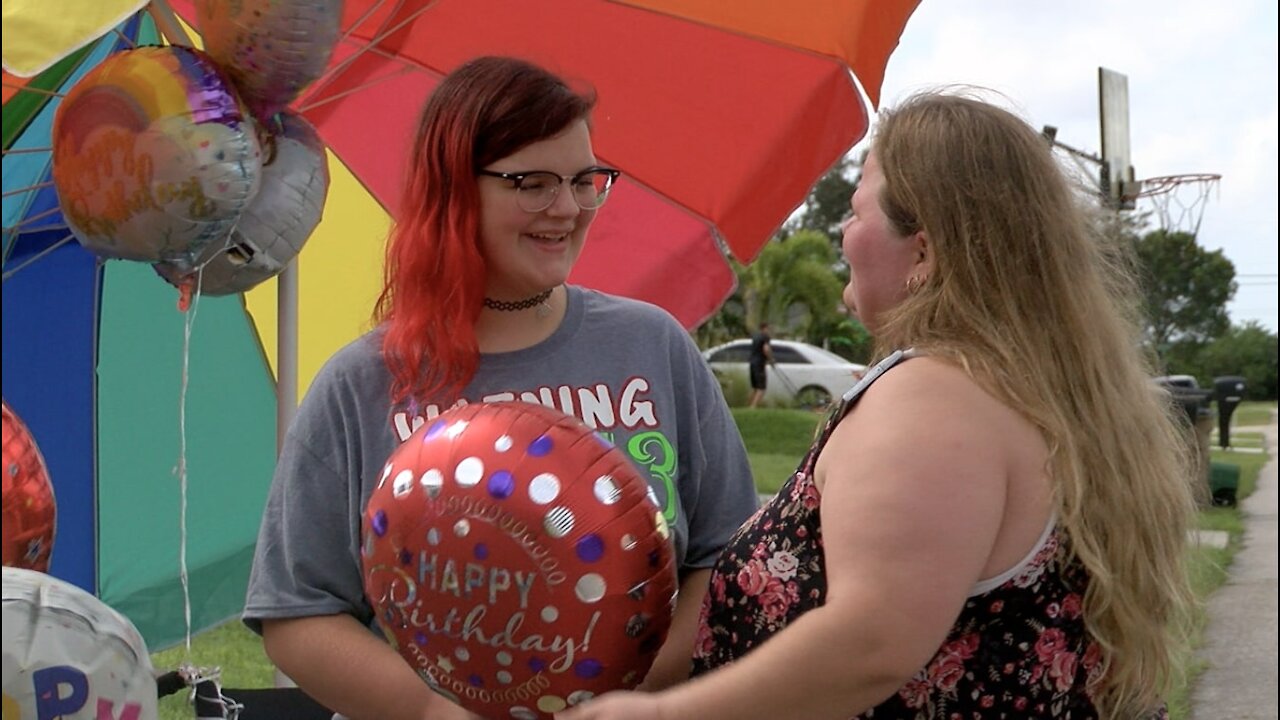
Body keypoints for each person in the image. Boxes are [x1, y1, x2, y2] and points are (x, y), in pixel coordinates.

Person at [559, 91, 1197, 720]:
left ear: (923, 250)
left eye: (856, 213)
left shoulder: (933, 394)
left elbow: (871, 642)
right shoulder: (1027, 386)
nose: (842, 232)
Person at [243, 56, 759, 720]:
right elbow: (296, 612)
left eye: (584, 180)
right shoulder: (364, 382)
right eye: (533, 182)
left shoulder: (651, 345)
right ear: (456, 190)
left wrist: (635, 696)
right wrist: (429, 713)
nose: (568, 207)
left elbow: (726, 558)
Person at [747, 323, 774, 408]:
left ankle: (749, 406)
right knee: (761, 388)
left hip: (752, 363)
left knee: (755, 387)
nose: (770, 331)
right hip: (759, 364)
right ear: (765, 328)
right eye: (769, 329)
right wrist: (771, 359)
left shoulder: (755, 337)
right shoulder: (765, 337)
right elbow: (766, 349)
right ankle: (753, 407)